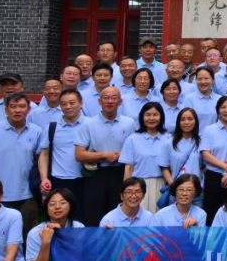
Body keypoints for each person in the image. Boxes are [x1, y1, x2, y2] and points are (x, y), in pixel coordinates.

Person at [0, 93, 49, 238]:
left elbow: (40, 159)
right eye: (13, 107)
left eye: (22, 106)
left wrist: (43, 180)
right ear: (6, 110)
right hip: (0, 195)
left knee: (27, 234)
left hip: (27, 194)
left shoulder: (36, 131)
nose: (17, 110)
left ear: (29, 109)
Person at [75, 86, 135, 226]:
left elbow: (134, 150)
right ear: (99, 101)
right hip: (97, 174)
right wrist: (104, 155)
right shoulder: (88, 124)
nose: (110, 101)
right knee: (94, 214)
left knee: (119, 213)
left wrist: (123, 155)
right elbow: (79, 154)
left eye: (114, 98)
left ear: (120, 102)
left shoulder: (129, 123)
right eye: (106, 98)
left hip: (121, 173)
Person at [47, 89, 87, 222]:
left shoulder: (90, 124)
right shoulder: (52, 127)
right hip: (59, 180)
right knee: (60, 218)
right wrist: (44, 178)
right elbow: (44, 154)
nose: (68, 107)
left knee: (83, 218)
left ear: (81, 103)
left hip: (85, 180)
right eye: (63, 104)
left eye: (72, 103)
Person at [119, 102, 167, 212]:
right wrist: (127, 191)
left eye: (155, 114)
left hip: (161, 185)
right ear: (142, 117)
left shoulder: (168, 138)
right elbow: (128, 168)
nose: (151, 118)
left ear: (161, 117)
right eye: (148, 115)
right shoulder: (132, 139)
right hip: (138, 186)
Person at [159, 108, 202, 203]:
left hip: (196, 191)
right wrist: (172, 184)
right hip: (177, 191)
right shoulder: (169, 143)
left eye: (190, 119)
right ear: (178, 122)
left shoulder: (201, 142)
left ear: (195, 121)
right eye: (183, 119)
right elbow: (164, 167)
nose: (186, 122)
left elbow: (205, 166)